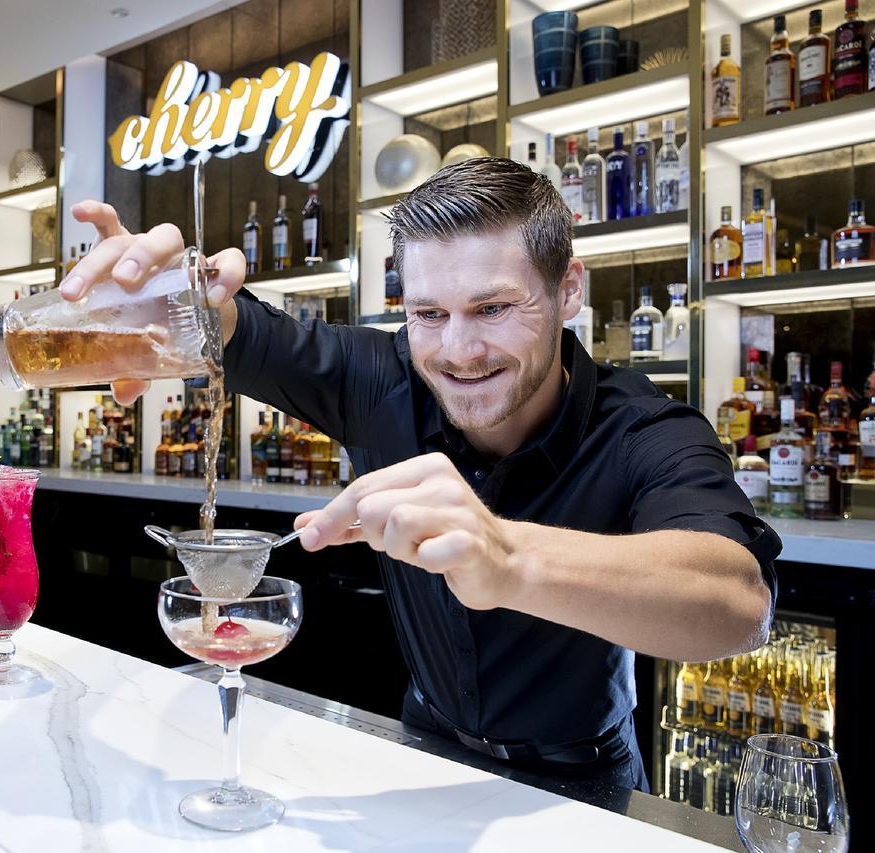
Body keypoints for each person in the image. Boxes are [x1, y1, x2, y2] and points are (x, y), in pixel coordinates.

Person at [58, 158, 780, 791]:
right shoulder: (379, 379)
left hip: (584, 775)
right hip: (423, 748)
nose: (459, 350)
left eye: (494, 308)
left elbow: (737, 601)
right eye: (429, 313)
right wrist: (162, 294)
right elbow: (236, 326)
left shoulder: (642, 428)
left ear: (567, 291)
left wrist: (509, 557)